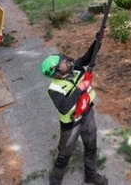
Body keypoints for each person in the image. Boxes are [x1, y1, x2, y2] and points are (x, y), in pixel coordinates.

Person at [41, 32, 108, 185]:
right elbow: (64, 108)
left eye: (63, 59)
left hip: (87, 113)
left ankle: (90, 175)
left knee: (91, 146)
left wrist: (97, 41)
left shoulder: (74, 68)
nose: (66, 60)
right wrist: (81, 88)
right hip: (71, 124)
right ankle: (55, 181)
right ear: (57, 73)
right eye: (63, 62)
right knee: (64, 154)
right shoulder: (54, 89)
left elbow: (87, 58)